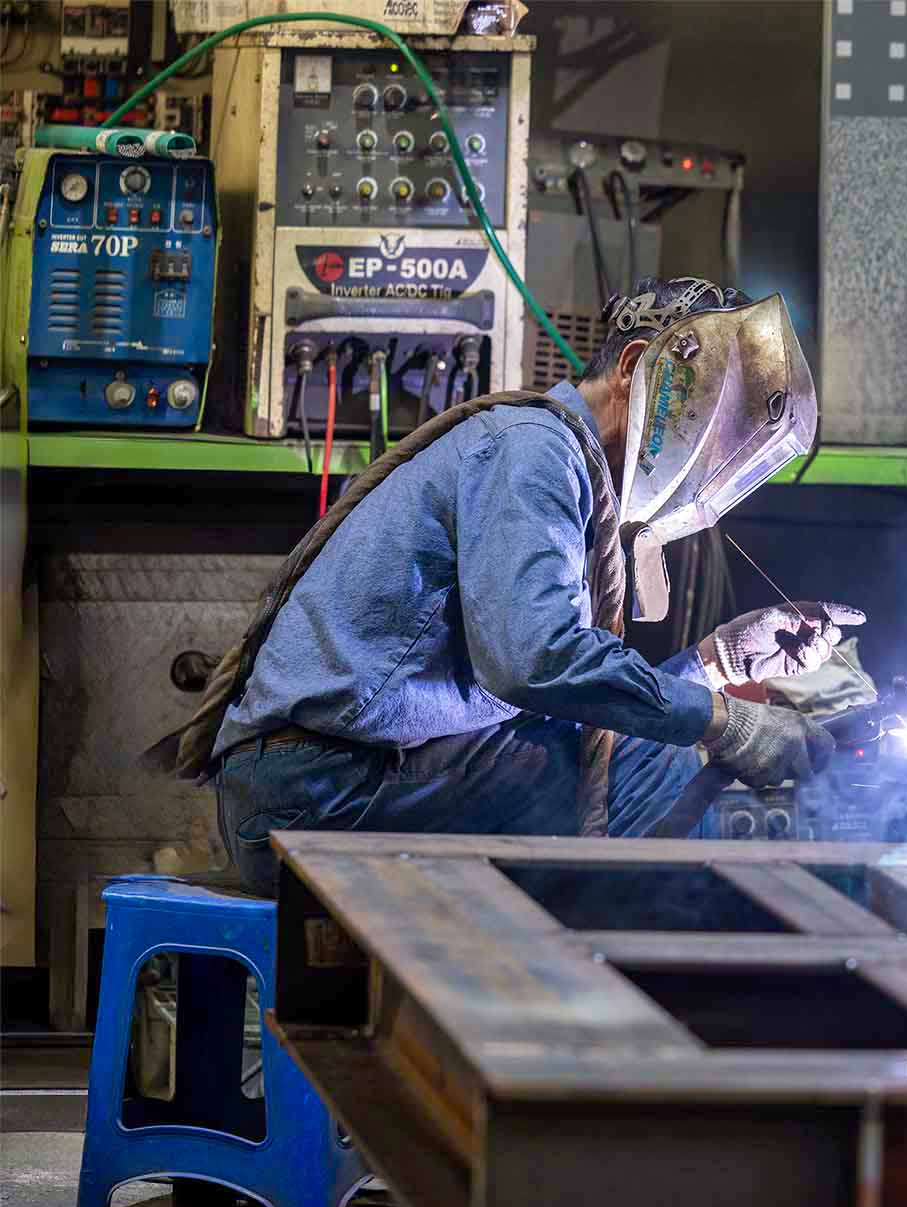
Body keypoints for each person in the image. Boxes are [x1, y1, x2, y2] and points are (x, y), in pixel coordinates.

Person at [174, 277, 864, 892]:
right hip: (320, 792)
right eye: (702, 421)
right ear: (634, 368)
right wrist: (724, 720)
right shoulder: (534, 450)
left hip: (328, 778)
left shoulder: (553, 458)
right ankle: (627, 985)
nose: (705, 455)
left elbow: (567, 700)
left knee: (633, 752)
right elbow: (537, 662)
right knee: (660, 771)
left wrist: (721, 663)